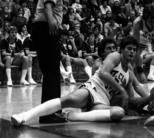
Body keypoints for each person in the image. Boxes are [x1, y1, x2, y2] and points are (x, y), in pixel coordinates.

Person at [10, 36, 139, 126]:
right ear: (121, 50)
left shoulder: (129, 72)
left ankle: (71, 116)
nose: (132, 52)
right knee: (68, 100)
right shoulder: (113, 57)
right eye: (129, 49)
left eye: (134, 50)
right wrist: (121, 90)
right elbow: (102, 73)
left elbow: (133, 96)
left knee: (119, 113)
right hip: (92, 89)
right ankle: (24, 115)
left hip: (103, 101)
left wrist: (151, 99)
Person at [32, 0, 76, 123]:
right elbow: (48, 4)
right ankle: (50, 113)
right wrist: (51, 20)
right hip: (46, 30)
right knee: (52, 73)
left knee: (50, 73)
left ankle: (48, 112)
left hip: (42, 29)